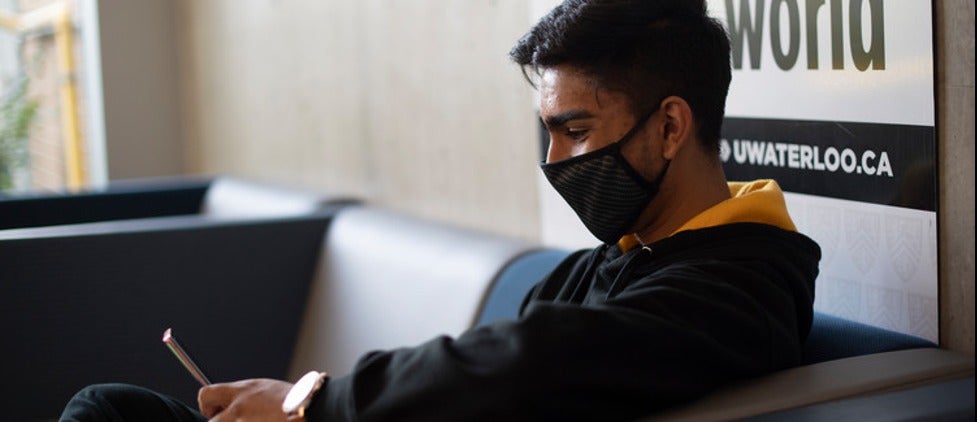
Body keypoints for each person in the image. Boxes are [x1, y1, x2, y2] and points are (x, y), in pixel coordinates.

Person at [60, 0, 820, 420]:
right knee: (114, 408)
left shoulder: (739, 282)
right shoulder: (621, 255)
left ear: (670, 126)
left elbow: (532, 361)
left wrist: (307, 406)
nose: (556, 162)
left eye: (576, 130)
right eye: (548, 133)